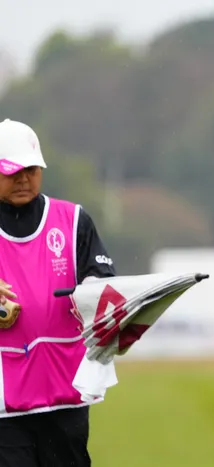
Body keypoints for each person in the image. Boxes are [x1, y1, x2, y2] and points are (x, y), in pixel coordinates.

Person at [0, 118, 116, 467]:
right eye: (12, 171)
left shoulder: (74, 220)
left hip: (66, 394)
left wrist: (93, 298)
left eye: (31, 170)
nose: (23, 179)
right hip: (4, 406)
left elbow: (103, 285)